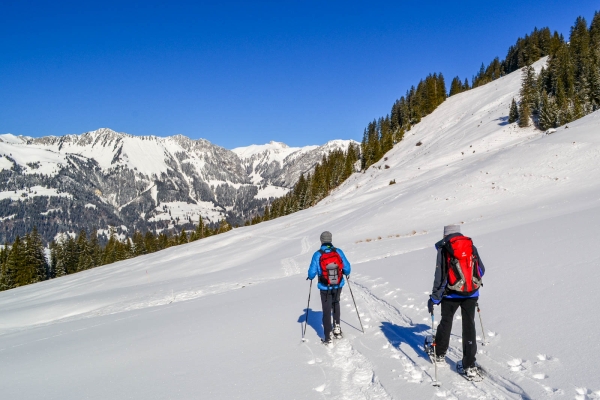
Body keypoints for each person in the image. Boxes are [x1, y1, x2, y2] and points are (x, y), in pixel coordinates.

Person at [427, 224, 485, 378]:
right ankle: (469, 364)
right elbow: (481, 270)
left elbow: (440, 276)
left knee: (446, 322)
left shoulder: (444, 248)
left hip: (450, 294)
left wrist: (434, 298)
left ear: (445, 235)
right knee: (469, 326)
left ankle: (439, 354)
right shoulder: (470, 245)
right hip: (471, 294)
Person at [307, 231, 351, 344]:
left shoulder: (317, 254)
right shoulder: (338, 252)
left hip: (324, 286)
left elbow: (312, 273)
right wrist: (344, 273)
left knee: (326, 310)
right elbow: (347, 268)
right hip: (338, 284)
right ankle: (337, 329)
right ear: (330, 240)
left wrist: (310, 276)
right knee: (336, 303)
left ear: (321, 240)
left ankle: (327, 336)